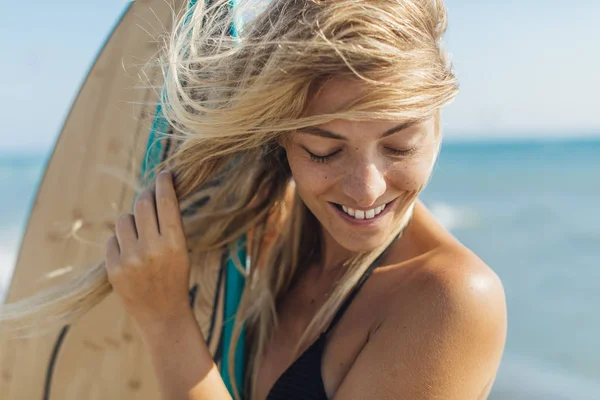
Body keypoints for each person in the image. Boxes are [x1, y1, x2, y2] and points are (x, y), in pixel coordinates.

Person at [1, 0, 507, 399]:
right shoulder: (270, 234)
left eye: (399, 146)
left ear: (438, 125)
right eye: (325, 152)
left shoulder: (453, 300)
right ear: (281, 142)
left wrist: (166, 321)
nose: (367, 188)